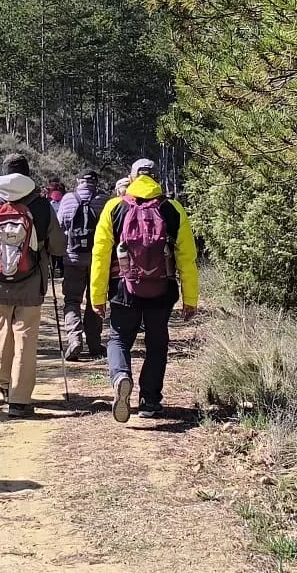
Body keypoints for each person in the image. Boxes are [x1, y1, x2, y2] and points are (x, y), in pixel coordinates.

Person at [92, 158, 200, 423]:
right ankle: (150, 401)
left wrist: (96, 296)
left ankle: (121, 377)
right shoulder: (172, 208)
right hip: (162, 288)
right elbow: (187, 256)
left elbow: (100, 255)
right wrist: (190, 298)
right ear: (156, 178)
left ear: (131, 177)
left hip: (122, 287)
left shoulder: (114, 207)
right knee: (157, 343)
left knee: (118, 338)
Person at [0, 153, 66, 418]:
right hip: (32, 282)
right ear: (27, 174)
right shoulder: (41, 206)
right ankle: (20, 401)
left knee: (2, 331)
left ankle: (4, 384)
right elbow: (58, 246)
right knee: (25, 338)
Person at [55, 170, 112, 361]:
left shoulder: (68, 199)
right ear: (95, 182)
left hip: (72, 259)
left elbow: (60, 226)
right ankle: (95, 345)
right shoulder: (104, 200)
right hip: (98, 260)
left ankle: (74, 339)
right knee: (95, 300)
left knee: (72, 300)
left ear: (78, 182)